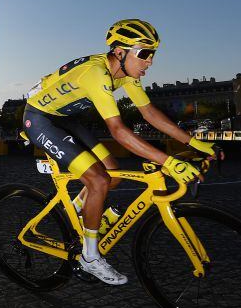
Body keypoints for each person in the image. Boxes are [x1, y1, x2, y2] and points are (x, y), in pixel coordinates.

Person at [22, 19, 220, 286]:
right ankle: (89, 258)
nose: (150, 61)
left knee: (113, 175)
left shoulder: (125, 74)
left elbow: (149, 113)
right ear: (120, 52)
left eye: (153, 54)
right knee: (99, 180)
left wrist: (193, 143)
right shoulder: (96, 74)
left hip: (67, 119)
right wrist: (169, 162)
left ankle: (79, 211)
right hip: (40, 119)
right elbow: (118, 130)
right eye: (145, 53)